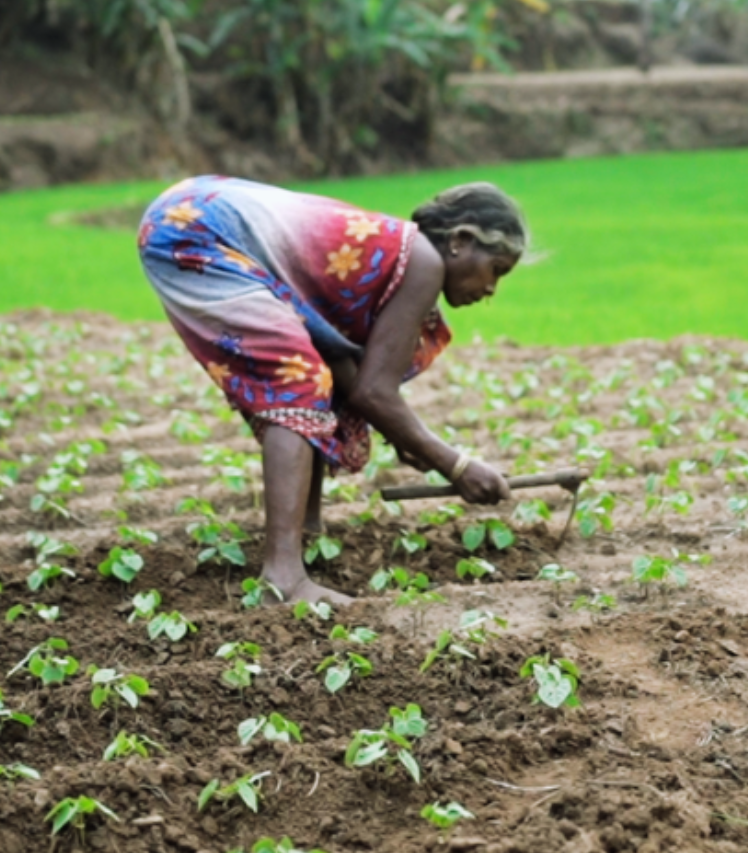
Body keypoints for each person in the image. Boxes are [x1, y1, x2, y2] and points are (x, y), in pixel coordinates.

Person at [137, 175, 527, 605]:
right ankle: (284, 576)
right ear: (461, 240)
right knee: (299, 381)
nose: (490, 289)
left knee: (314, 377)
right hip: (199, 231)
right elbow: (373, 394)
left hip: (188, 211)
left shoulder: (393, 255)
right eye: (497, 270)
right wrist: (456, 465)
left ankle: (305, 532)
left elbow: (347, 374)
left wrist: (407, 437)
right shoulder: (424, 263)